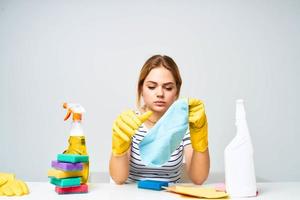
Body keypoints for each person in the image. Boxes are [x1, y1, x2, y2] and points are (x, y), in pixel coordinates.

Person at [109, 55, 209, 184]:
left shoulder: (184, 126)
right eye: (151, 87)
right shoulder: (130, 122)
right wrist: (119, 150)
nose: (160, 94)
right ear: (141, 89)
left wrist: (201, 140)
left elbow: (199, 178)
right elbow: (118, 178)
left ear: (176, 92)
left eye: (168, 88)